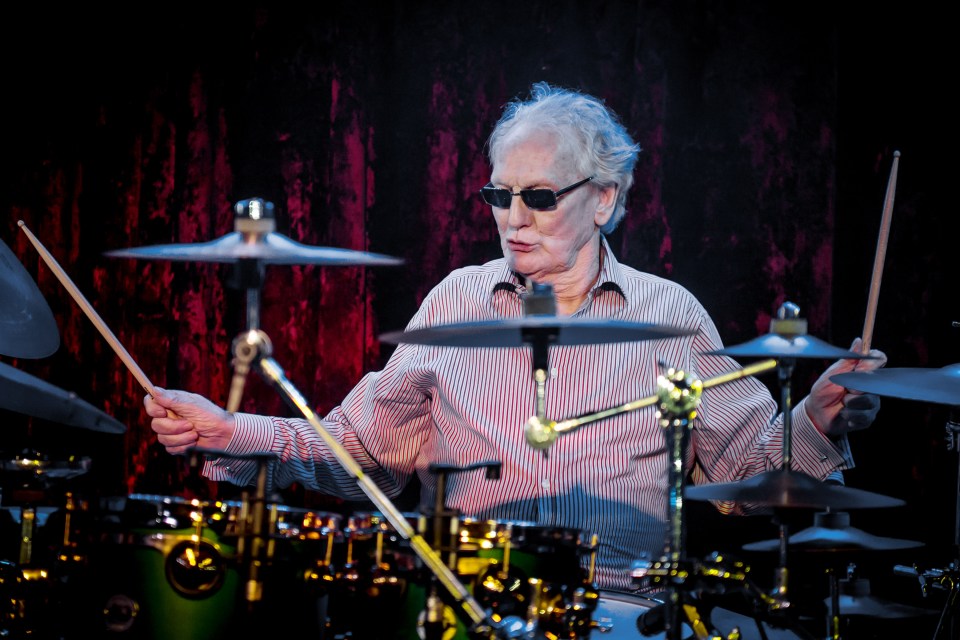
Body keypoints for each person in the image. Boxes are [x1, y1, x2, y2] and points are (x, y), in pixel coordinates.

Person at [143, 82, 884, 619]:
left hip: (622, 606)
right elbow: (358, 446)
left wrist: (816, 419)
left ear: (604, 199)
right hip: (471, 600)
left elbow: (746, 466)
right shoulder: (457, 299)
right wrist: (227, 428)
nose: (513, 218)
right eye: (500, 197)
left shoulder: (671, 313)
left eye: (538, 197)